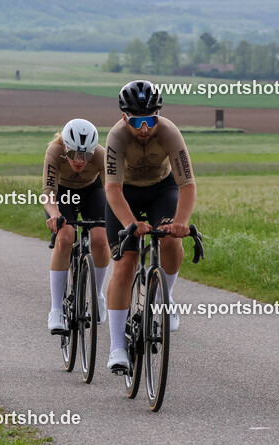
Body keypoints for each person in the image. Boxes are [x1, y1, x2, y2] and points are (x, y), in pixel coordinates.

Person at [104, 80, 196, 372]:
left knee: (171, 240)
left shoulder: (169, 132)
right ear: (124, 118)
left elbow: (188, 186)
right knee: (125, 262)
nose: (144, 129)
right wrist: (131, 224)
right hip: (125, 192)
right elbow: (113, 191)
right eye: (137, 121)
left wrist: (180, 224)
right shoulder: (116, 138)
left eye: (150, 120)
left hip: (161, 189)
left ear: (158, 114)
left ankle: (164, 298)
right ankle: (117, 347)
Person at [43, 119, 111, 333]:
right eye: (74, 155)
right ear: (65, 147)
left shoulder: (101, 154)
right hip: (63, 193)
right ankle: (56, 309)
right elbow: (48, 193)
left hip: (92, 191)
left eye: (86, 155)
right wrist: (54, 215)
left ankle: (97, 293)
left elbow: (112, 190)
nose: (80, 161)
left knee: (101, 239)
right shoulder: (54, 152)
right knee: (65, 237)